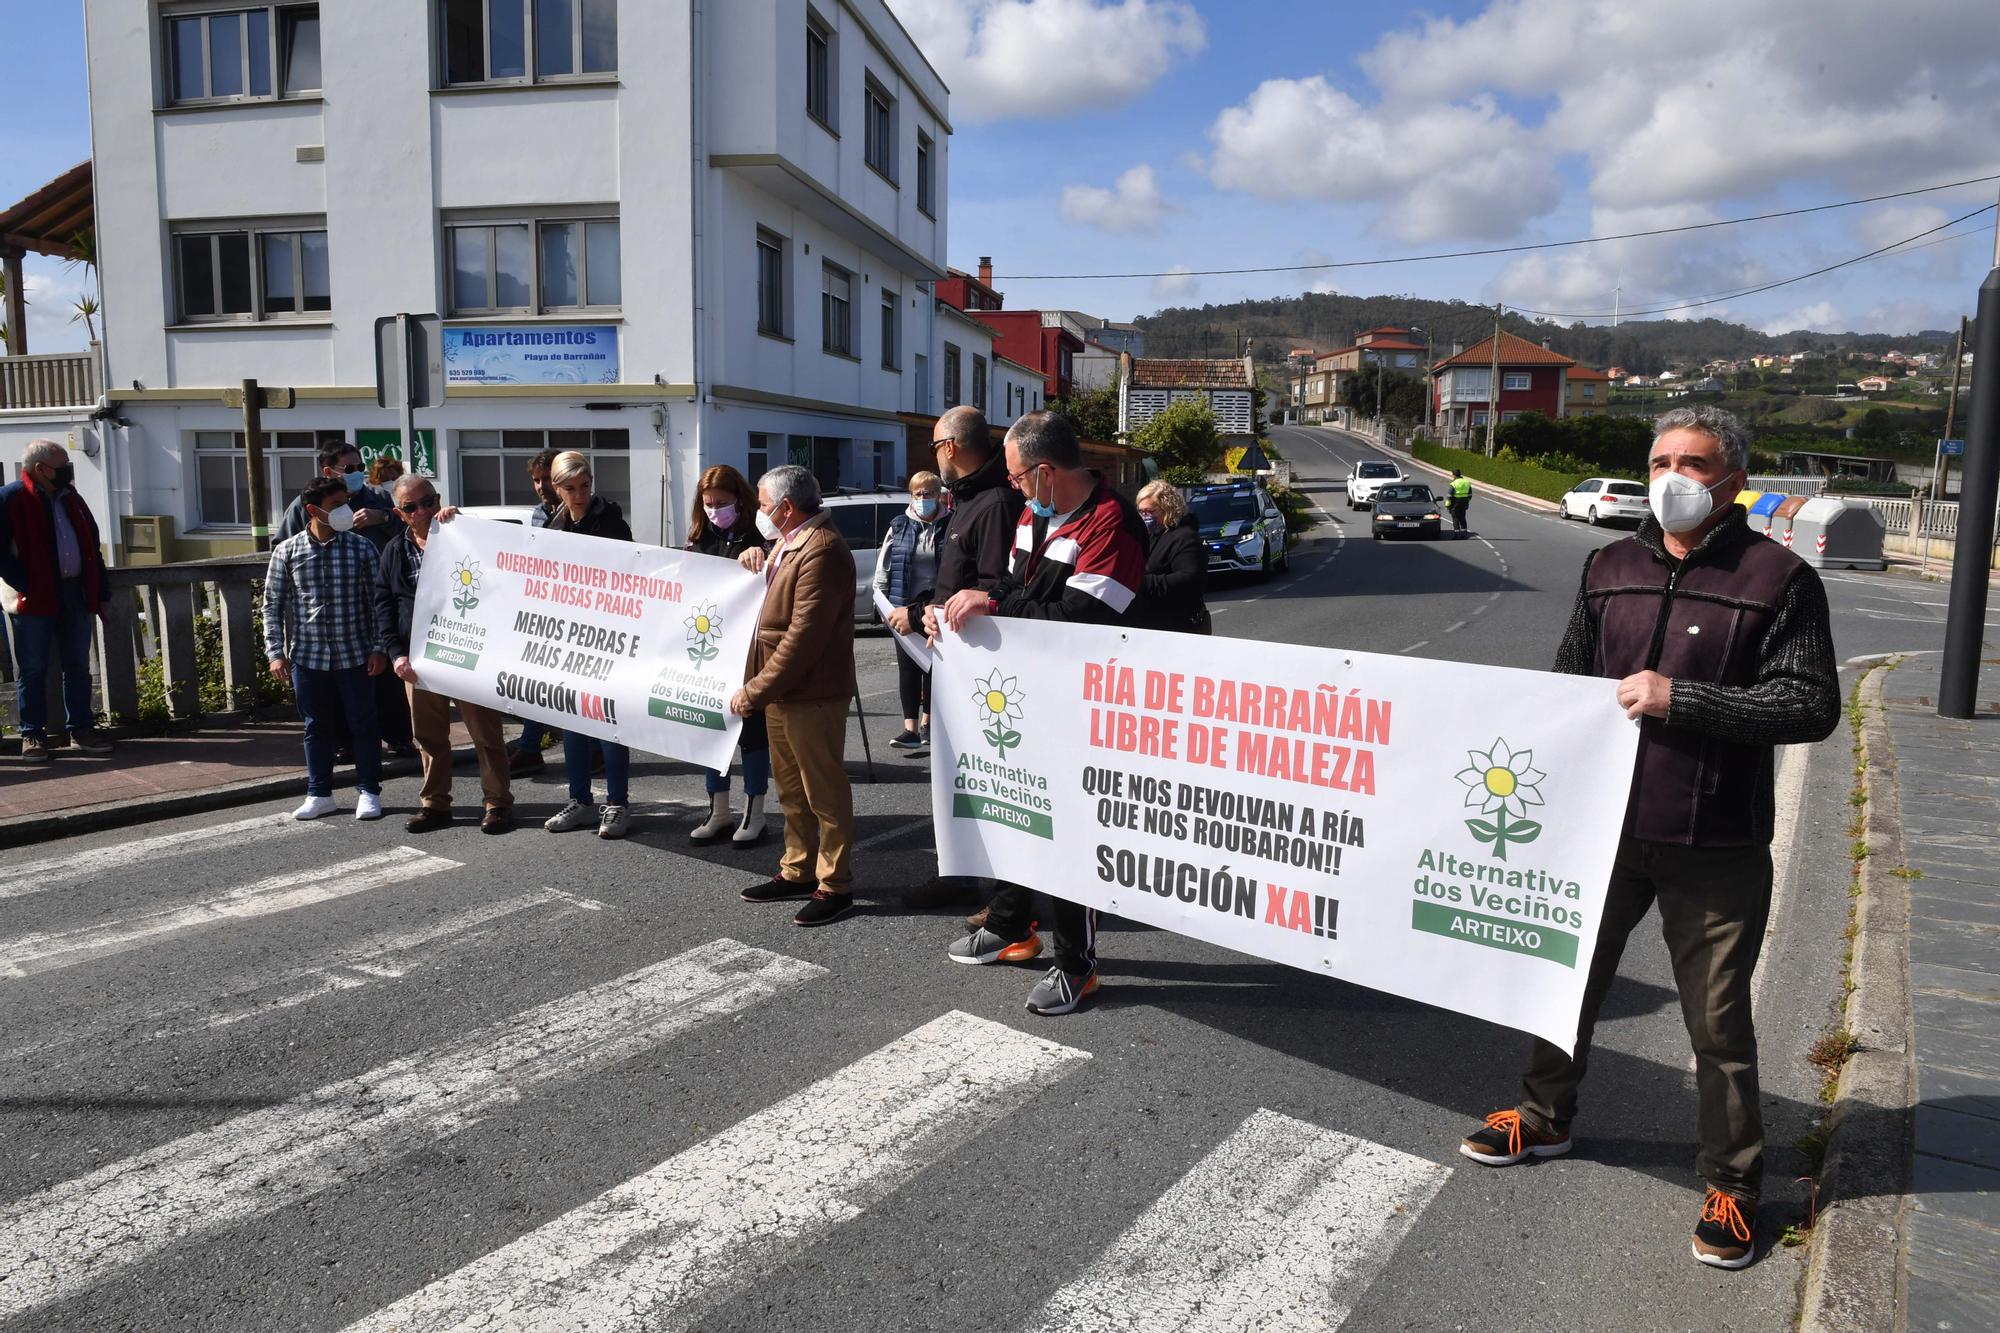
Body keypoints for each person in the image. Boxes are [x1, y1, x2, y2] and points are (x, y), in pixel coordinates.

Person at [1457, 406, 1839, 1271]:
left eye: (1695, 463)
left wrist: (1685, 699)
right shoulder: (1609, 565)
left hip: (1716, 840)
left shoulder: (1779, 579)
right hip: (1603, 831)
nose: (1674, 476)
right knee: (1566, 981)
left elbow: (1810, 704)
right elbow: (1568, 684)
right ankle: (1544, 1116)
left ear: (1733, 479)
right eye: (1662, 458)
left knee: (1716, 1019)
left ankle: (1734, 1185)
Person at [932, 411, 1147, 1016]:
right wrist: (971, 604)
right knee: (1016, 808)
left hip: (1087, 702)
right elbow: (1010, 582)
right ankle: (1011, 925)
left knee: (1070, 834)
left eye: (1020, 478)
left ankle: (1077, 967)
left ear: (1047, 472)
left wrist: (993, 606)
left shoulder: (1114, 522)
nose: (1015, 489)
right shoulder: (1035, 511)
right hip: (1031, 694)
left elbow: (1081, 622)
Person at [903, 405, 1021, 915]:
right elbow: (957, 585)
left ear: (950, 446)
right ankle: (958, 870)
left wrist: (951, 608)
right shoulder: (969, 499)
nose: (934, 456)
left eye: (935, 446)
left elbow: (996, 587)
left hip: (985, 671)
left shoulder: (993, 501)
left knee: (987, 780)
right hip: (954, 659)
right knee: (956, 775)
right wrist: (929, 611)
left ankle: (1005, 892)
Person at [730, 465, 858, 928]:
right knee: (791, 789)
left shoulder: (820, 550)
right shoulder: (787, 543)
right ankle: (798, 869)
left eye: (763, 505)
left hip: (812, 692)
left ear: (786, 507)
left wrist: (756, 689)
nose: (759, 512)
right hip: (786, 693)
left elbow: (803, 636)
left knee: (822, 789)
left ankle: (835, 884)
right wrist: (754, 558)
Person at [375, 474, 514, 835]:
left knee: (485, 733)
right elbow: (384, 605)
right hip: (419, 659)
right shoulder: (394, 550)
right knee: (429, 737)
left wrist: (463, 523)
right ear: (399, 513)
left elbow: (500, 571)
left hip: (468, 651)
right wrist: (395, 654)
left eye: (428, 501)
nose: (422, 510)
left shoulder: (461, 535)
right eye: (412, 507)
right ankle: (435, 804)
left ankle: (497, 803)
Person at [274, 441, 414, 761]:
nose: (357, 474)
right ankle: (344, 743)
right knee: (337, 679)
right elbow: (283, 547)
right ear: (329, 471)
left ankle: (398, 736)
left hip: (377, 603)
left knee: (387, 673)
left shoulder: (376, 498)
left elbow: (411, 524)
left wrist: (383, 518)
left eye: (360, 467)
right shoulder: (306, 503)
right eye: (349, 468)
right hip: (333, 608)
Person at [263, 476, 389, 821]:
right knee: (315, 726)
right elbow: (272, 604)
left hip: (356, 653)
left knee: (363, 723)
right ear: (312, 510)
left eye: (344, 502)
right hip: (308, 655)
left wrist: (379, 647)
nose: (344, 510)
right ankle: (319, 793)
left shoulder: (361, 548)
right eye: (335, 506)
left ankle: (369, 790)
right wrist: (275, 653)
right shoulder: (287, 551)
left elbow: (377, 602)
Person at [539, 451, 636, 839]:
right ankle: (580, 800)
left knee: (609, 724)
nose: (579, 494)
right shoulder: (552, 526)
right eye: (570, 488)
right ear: (556, 489)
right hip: (565, 637)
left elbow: (628, 577)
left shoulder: (611, 522)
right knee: (573, 723)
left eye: (585, 485)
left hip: (605, 637)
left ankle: (618, 804)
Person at [0, 439, 113, 763]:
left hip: (75, 593)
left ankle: (80, 730)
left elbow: (92, 546)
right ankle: (32, 735)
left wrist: (100, 590)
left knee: (78, 666)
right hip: (32, 598)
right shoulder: (10, 499)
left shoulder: (71, 498)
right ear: (41, 469)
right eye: (63, 466)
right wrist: (27, 584)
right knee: (32, 669)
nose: (68, 472)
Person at [685, 464, 772, 848]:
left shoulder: (758, 535)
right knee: (712, 729)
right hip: (708, 653)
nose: (714, 510)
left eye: (722, 503)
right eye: (708, 503)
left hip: (748, 654)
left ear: (740, 500)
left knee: (752, 734)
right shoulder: (698, 538)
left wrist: (761, 554)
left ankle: (756, 812)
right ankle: (718, 810)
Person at [873, 470, 947, 749]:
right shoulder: (900, 524)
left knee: (932, 667)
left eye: (928, 493)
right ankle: (910, 729)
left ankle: (929, 723)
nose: (922, 498)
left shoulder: (950, 524)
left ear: (939, 495)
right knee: (907, 668)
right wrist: (882, 603)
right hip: (903, 605)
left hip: (935, 608)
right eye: (917, 494)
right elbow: (884, 566)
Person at [508, 447, 566, 776]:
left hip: (577, 611)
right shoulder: (537, 515)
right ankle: (530, 747)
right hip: (545, 608)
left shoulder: (587, 511)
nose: (541, 486)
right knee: (538, 682)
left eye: (546, 479)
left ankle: (597, 751)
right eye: (536, 480)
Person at [1131, 479, 1209, 634]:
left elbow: (1190, 580)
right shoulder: (1148, 536)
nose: (1144, 517)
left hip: (1178, 627)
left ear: (1168, 509)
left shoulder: (1186, 538)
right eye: (1141, 511)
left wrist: (1140, 583)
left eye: (1150, 512)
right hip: (1151, 625)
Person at [1447, 470, 1472, 534]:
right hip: (1464, 502)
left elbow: (1449, 496)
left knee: (1455, 518)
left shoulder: (1453, 483)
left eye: (1452, 475)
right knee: (1462, 518)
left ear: (1454, 475)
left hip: (1455, 502)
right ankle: (1464, 534)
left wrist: (1448, 505)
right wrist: (1467, 502)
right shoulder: (1467, 482)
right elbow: (1470, 495)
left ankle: (1457, 535)